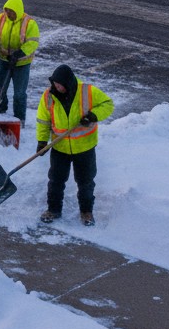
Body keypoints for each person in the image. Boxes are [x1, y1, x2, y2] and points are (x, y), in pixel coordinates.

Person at [35, 63, 114, 226]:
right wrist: (42, 141)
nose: (57, 87)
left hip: (84, 147)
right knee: (56, 180)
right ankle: (53, 210)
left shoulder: (87, 91)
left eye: (60, 85)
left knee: (85, 181)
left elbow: (108, 104)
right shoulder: (48, 96)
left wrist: (93, 115)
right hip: (60, 147)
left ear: (69, 83)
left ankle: (86, 212)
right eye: (55, 83)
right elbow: (43, 121)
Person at [0, 0, 40, 125]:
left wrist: (18, 54)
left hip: (21, 63)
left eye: (11, 12)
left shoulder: (29, 23)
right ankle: (0, 111)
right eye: (7, 11)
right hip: (4, 60)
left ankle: (19, 119)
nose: (8, 14)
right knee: (0, 89)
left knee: (19, 94)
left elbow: (32, 43)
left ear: (17, 11)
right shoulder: (1, 18)